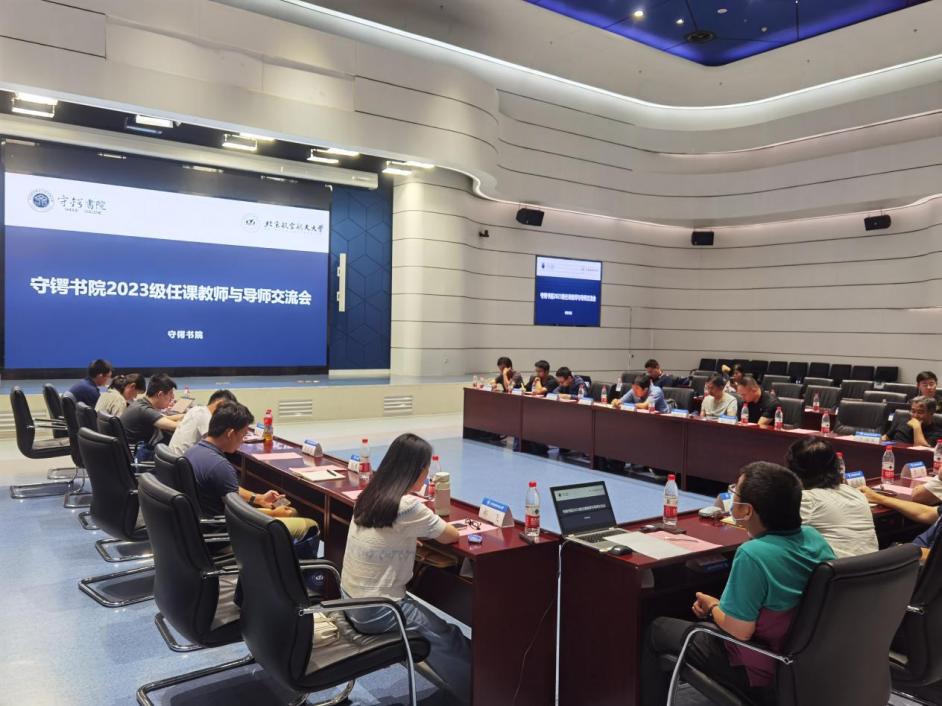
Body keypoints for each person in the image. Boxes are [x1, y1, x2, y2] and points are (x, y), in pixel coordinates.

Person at [642, 462, 835, 706]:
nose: (732, 498)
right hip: (806, 663)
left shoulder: (752, 554)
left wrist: (713, 607)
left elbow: (740, 631)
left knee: (657, 629)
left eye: (736, 493)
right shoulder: (814, 538)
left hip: (760, 668)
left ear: (746, 510)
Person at [341, 433, 470, 704]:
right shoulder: (407, 505)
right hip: (379, 609)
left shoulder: (370, 494)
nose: (427, 475)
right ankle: (486, 695)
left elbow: (389, 532)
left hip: (349, 599)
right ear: (416, 470)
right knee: (450, 637)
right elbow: (451, 535)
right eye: (426, 469)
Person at [186, 402, 317, 540]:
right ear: (230, 433)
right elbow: (240, 513)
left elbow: (226, 488)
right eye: (243, 435)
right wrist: (273, 514)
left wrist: (259, 498)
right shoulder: (220, 466)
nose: (242, 441)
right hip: (226, 533)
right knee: (309, 525)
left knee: (291, 512)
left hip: (203, 527)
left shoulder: (192, 452)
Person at [785, 437, 878, 558]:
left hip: (836, 568)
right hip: (873, 567)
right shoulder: (855, 493)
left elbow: (769, 530)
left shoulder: (807, 500)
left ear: (794, 470)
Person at [858, 486, 941, 561]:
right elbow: (927, 513)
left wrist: (899, 550)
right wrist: (878, 498)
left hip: (915, 562)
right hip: (913, 552)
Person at [121, 373, 184, 459]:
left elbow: (165, 418)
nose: (173, 397)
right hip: (138, 457)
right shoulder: (144, 410)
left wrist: (186, 415)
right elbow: (177, 427)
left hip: (134, 451)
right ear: (160, 395)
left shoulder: (141, 404)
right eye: (170, 393)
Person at [168, 389, 238, 455]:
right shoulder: (205, 415)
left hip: (173, 456)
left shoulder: (196, 409)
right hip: (183, 460)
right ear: (220, 403)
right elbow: (215, 444)